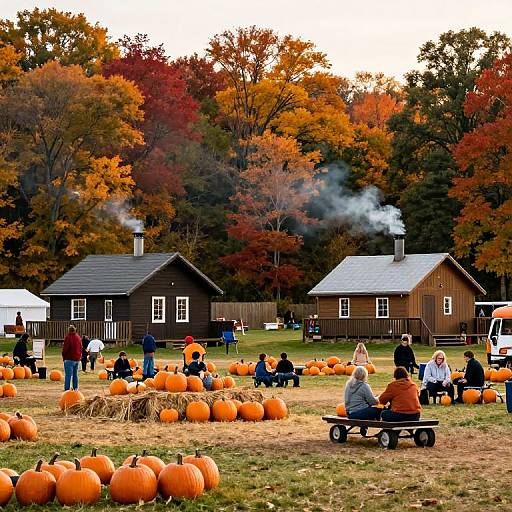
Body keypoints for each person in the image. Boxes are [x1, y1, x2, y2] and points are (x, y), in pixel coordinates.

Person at [62, 325, 82, 390]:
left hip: (69, 358)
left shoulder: (68, 337)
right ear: (75, 330)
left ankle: (67, 389)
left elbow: (65, 349)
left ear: (69, 330)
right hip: (77, 358)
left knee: (68, 375)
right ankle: (75, 388)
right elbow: (80, 347)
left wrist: (63, 356)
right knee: (75, 375)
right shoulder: (78, 337)